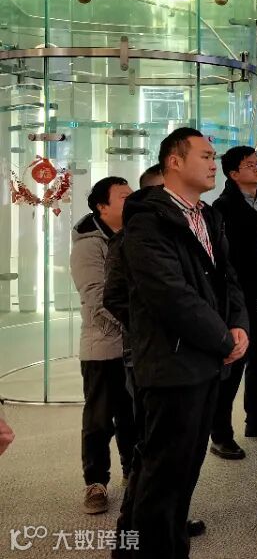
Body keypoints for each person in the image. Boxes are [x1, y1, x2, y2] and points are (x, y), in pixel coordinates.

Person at [115, 128, 249, 558]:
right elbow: (170, 295)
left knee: (183, 472)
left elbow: (228, 278)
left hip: (206, 362)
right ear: (174, 161)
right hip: (171, 365)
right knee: (162, 476)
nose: (214, 163)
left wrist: (238, 325)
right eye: (205, 156)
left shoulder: (207, 216)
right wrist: (222, 339)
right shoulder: (147, 220)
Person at [104, 163, 208, 541]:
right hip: (151, 357)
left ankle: (167, 522)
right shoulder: (132, 236)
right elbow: (115, 297)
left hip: (186, 356)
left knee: (179, 450)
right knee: (153, 449)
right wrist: (154, 328)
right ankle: (133, 531)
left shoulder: (188, 228)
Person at [209, 146, 257, 461]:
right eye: (249, 165)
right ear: (233, 173)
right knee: (233, 366)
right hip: (236, 298)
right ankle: (221, 434)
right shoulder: (221, 208)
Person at [72, 176, 136, 515]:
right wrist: (136, 323)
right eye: (124, 197)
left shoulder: (131, 235)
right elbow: (97, 299)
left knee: (132, 415)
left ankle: (132, 472)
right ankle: (95, 482)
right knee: (99, 419)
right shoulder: (89, 245)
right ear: (102, 206)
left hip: (134, 344)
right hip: (103, 346)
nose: (132, 200)